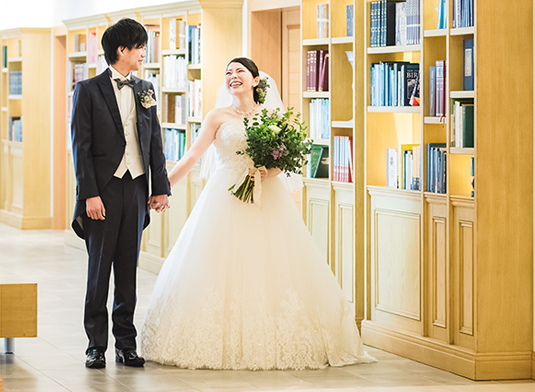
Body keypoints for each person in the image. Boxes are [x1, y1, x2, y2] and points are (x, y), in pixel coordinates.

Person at [141, 57, 374, 370]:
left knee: (272, 261)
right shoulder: (217, 116)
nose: (232, 76)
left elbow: (286, 158)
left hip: (267, 197)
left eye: (239, 71)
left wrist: (268, 171)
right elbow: (192, 156)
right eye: (228, 72)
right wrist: (162, 188)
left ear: (255, 80)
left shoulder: (272, 116)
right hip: (224, 195)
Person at [70, 18, 171, 370]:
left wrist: (160, 188)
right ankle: (95, 345)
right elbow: (81, 148)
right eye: (139, 47)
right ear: (121, 50)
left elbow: (154, 141)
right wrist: (89, 195)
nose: (144, 53)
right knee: (99, 272)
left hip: (136, 188)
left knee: (128, 272)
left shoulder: (146, 88)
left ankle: (126, 345)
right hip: (103, 191)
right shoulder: (87, 90)